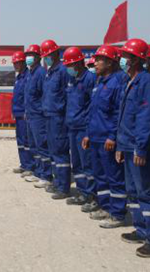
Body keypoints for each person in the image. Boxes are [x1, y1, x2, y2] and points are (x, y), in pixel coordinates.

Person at [116, 39, 150, 258]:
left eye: (126, 56)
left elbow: (146, 117)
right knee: (133, 191)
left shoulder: (146, 82)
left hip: (138, 147)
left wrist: (141, 147)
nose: (122, 59)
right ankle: (141, 229)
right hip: (127, 144)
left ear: (136, 59)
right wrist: (120, 145)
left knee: (147, 192)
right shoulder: (130, 81)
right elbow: (124, 117)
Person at [82, 45, 127, 228]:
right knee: (100, 176)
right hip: (95, 137)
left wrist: (112, 136)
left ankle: (117, 213)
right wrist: (88, 134)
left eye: (99, 60)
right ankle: (105, 207)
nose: (95, 63)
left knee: (114, 177)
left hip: (107, 139)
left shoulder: (117, 83)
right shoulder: (100, 83)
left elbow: (118, 113)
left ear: (110, 63)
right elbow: (92, 112)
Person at [63, 47, 96, 206]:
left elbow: (93, 107)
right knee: (76, 163)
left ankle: (91, 195)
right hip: (72, 127)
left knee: (87, 163)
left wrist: (89, 132)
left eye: (70, 65)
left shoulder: (90, 79)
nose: (68, 68)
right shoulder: (72, 79)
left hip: (83, 128)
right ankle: (82, 192)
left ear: (78, 63)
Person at [41, 39, 71, 199]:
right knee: (52, 151)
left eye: (48, 55)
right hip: (48, 116)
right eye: (45, 55)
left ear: (55, 54)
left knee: (60, 152)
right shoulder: (50, 71)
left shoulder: (63, 71)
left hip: (59, 118)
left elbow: (68, 95)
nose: (46, 58)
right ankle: (57, 181)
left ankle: (63, 187)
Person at [23, 44, 51, 187]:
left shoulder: (40, 73)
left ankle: (46, 175)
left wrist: (40, 112)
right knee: (34, 145)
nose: (28, 58)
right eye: (27, 55)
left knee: (42, 145)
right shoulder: (30, 73)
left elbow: (43, 95)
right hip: (31, 114)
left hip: (39, 116)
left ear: (38, 57)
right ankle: (38, 171)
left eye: (31, 55)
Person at [11, 51, 34, 175]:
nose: (15, 65)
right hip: (17, 113)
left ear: (23, 62)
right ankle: (23, 164)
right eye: (14, 63)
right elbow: (16, 96)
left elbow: (27, 96)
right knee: (20, 141)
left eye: (17, 63)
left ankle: (30, 166)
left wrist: (26, 110)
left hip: (24, 114)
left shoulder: (28, 76)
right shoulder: (19, 77)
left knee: (27, 141)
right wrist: (13, 111)